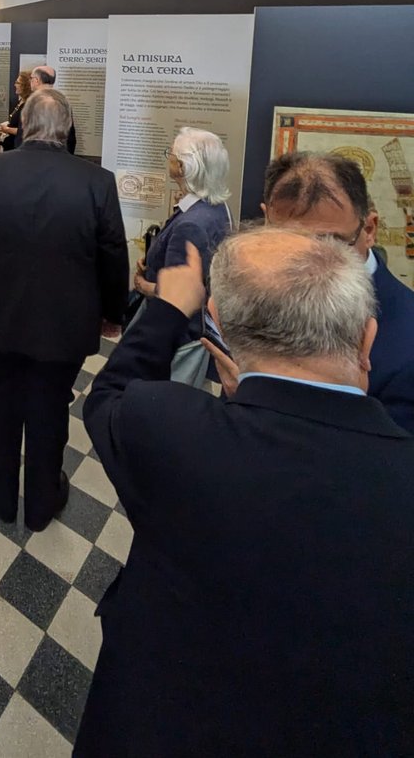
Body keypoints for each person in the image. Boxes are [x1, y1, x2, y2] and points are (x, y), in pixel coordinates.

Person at [77, 228, 414, 758]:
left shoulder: (173, 430)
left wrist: (168, 308)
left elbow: (109, 396)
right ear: (367, 339)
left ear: (217, 323)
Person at [0, 89, 128, 532]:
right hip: (65, 322)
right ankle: (43, 499)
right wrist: (113, 314)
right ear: (67, 129)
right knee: (51, 404)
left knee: (0, 398)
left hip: (0, 314)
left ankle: (2, 488)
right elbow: (113, 254)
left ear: (25, 125)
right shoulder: (97, 181)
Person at [263, 151, 414, 431]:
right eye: (286, 242)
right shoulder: (254, 297)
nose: (305, 265)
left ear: (369, 229)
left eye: (329, 243)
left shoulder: (407, 340)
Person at [132, 127, 232, 300]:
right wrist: (153, 261)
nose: (168, 157)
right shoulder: (217, 206)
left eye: (170, 154)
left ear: (181, 167)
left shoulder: (190, 225)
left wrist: (143, 285)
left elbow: (178, 294)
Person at [29, 66, 77, 154]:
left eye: (31, 78)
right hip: (60, 155)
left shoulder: (34, 103)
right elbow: (70, 136)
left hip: (37, 155)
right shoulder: (63, 102)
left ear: (36, 80)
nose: (30, 81)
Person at [0, 69, 32, 151]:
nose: (15, 85)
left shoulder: (29, 106)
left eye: (17, 83)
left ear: (25, 86)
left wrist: (6, 129)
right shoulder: (21, 101)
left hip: (18, 147)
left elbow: (25, 131)